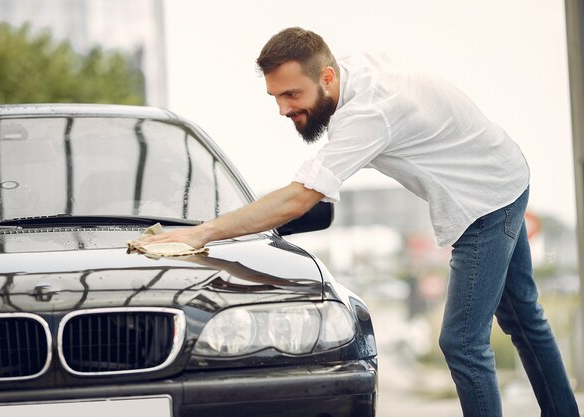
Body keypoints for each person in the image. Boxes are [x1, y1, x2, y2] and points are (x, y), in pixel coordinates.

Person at [143, 27, 580, 417]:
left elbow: (298, 198)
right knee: (524, 318)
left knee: (462, 342)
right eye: (275, 97)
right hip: (503, 170)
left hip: (484, 200)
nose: (282, 109)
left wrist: (201, 232)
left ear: (326, 78)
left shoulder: (369, 114)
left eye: (292, 95)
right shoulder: (346, 72)